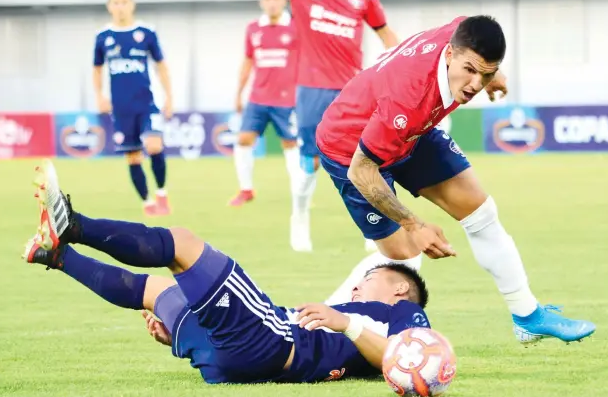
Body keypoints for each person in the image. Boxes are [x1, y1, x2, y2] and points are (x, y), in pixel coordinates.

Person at [316, 15, 596, 344]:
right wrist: (413, 224)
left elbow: (472, 41)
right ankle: (320, 324)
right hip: (350, 148)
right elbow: (362, 170)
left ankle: (527, 316)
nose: (476, 84)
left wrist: (492, 75)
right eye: (470, 71)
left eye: (485, 73)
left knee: (481, 213)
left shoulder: (464, 37)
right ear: (449, 55)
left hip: (409, 134)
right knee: (402, 256)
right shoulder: (408, 96)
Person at [23, 160, 433, 384]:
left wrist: (344, 321)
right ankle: (57, 257)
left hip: (269, 342)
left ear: (400, 288)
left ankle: (74, 226)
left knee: (182, 244)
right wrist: (174, 340)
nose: (360, 283)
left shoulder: (403, 317)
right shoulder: (356, 316)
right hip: (230, 360)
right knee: (157, 291)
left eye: (372, 277)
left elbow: (401, 361)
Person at [288, 0, 399, 252]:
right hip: (312, 90)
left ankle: (375, 226)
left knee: (365, 157)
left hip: (352, 88)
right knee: (310, 162)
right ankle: (300, 216)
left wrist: (399, 66)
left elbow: (386, 34)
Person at [93, 0, 173, 216]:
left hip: (147, 103)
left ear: (132, 5)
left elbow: (161, 66)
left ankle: (162, 193)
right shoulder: (103, 37)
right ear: (110, 7)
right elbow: (97, 69)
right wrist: (99, 95)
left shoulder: (147, 33)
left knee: (154, 145)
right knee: (133, 156)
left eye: (124, 2)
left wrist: (169, 96)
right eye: (116, 3)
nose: (120, 7)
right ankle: (147, 203)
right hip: (121, 108)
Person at [229, 0, 300, 207]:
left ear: (284, 1)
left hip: (288, 99)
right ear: (261, 2)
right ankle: (246, 189)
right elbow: (248, 61)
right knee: (243, 140)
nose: (272, 2)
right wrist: (239, 93)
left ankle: (298, 193)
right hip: (258, 97)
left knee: (290, 144)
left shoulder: (297, 27)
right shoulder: (253, 28)